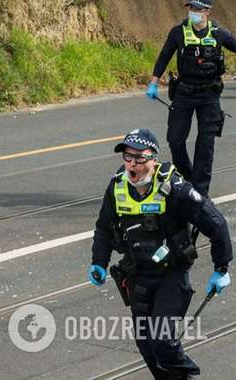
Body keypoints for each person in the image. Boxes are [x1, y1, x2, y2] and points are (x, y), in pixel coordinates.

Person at [88, 128, 232, 379]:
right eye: (127, 157)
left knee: (162, 339)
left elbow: (216, 224)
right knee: (146, 345)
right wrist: (98, 262)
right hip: (137, 275)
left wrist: (221, 268)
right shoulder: (117, 187)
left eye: (139, 157)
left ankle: (185, 375)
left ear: (153, 159)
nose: (132, 164)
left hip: (171, 275)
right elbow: (103, 228)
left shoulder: (175, 188)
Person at [146, 0, 236, 197]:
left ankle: (200, 193)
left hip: (209, 95)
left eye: (197, 9)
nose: (192, 12)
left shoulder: (219, 34)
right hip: (184, 92)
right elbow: (164, 56)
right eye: (191, 8)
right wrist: (154, 82)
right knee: (175, 140)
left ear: (207, 11)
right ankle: (187, 181)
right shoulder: (178, 32)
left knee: (205, 145)